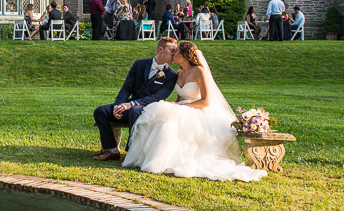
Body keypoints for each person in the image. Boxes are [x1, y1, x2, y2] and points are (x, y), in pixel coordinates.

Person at [122, 40, 268, 182]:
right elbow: (180, 98)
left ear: (184, 55)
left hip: (197, 108)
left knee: (170, 122)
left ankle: (174, 160)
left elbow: (205, 101)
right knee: (161, 117)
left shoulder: (199, 71)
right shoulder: (179, 72)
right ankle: (153, 157)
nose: (174, 53)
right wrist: (176, 105)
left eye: (177, 51)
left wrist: (180, 107)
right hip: (181, 107)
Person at [92, 37, 179, 161]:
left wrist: (131, 104)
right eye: (172, 51)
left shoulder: (171, 76)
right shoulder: (139, 64)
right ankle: (113, 150)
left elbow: (156, 98)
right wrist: (118, 106)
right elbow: (126, 88)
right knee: (100, 111)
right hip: (129, 107)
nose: (174, 54)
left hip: (148, 110)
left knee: (135, 111)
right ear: (161, 49)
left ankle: (131, 154)